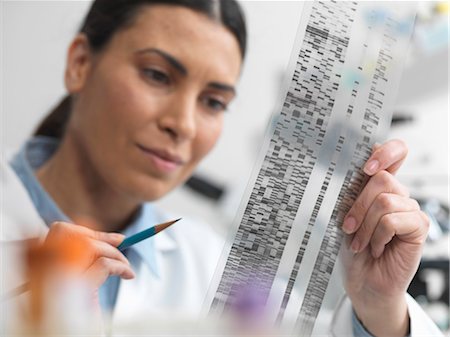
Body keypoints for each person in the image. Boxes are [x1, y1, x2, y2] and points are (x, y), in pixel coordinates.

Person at [0, 0, 443, 335]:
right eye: (157, 75)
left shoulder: (210, 266)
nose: (184, 124)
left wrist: (378, 304)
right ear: (80, 64)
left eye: (213, 102)